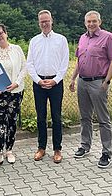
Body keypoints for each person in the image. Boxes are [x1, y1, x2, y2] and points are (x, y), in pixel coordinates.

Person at [69, 11, 112, 168]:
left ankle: (106, 152)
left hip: (98, 82)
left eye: (94, 21)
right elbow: (79, 60)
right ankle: (85, 146)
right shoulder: (83, 38)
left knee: (103, 119)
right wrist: (72, 78)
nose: (91, 24)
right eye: (88, 21)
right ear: (85, 23)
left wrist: (107, 81)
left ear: (99, 21)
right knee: (85, 117)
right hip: (82, 82)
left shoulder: (107, 37)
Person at [26, 10, 69, 163]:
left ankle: (57, 149)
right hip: (39, 83)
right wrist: (38, 80)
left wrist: (55, 80)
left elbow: (64, 63)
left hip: (56, 83)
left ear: (52, 21)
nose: (45, 23)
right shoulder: (34, 41)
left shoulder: (61, 40)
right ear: (39, 23)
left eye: (47, 20)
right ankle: (41, 148)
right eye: (42, 21)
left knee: (57, 117)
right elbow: (29, 63)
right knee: (40, 117)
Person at [0, 23, 27, 170]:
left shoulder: (17, 49)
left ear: (6, 33)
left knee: (12, 121)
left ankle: (9, 150)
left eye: (0, 33)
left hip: (15, 92)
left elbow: (24, 67)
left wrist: (16, 83)